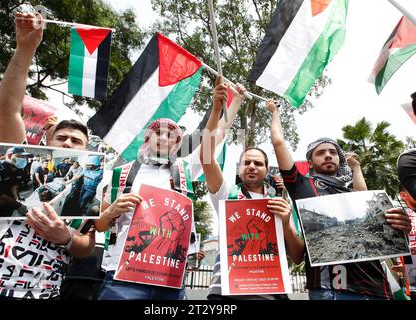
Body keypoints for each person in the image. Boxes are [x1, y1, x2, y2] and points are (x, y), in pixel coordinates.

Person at [0, 10, 95, 300]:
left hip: (40, 290)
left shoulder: (93, 185)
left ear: (87, 150)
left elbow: (88, 244)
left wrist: (66, 237)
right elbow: (10, 106)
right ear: (47, 140)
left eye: (77, 140)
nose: (69, 143)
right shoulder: (19, 158)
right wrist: (25, 50)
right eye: (62, 137)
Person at [94, 78, 248, 300]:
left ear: (177, 145)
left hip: (169, 277)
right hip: (123, 276)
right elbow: (99, 225)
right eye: (160, 133)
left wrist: (228, 105)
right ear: (147, 139)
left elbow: (215, 137)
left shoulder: (184, 170)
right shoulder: (122, 173)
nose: (165, 138)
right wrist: (111, 211)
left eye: (172, 136)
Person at [267, 100, 411, 300]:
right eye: (321, 153)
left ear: (339, 159)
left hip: (377, 288)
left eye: (333, 152)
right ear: (310, 162)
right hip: (330, 290)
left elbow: (381, 228)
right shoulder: (303, 186)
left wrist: (402, 227)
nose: (328, 156)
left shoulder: (352, 194)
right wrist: (274, 112)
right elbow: (278, 142)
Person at [199, 77, 303, 300]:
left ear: (267, 170)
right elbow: (206, 155)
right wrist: (219, 108)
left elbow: (297, 256)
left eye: (258, 163)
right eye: (247, 162)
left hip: (272, 292)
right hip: (225, 293)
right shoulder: (226, 195)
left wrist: (285, 223)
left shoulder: (280, 202)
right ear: (238, 170)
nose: (252, 167)